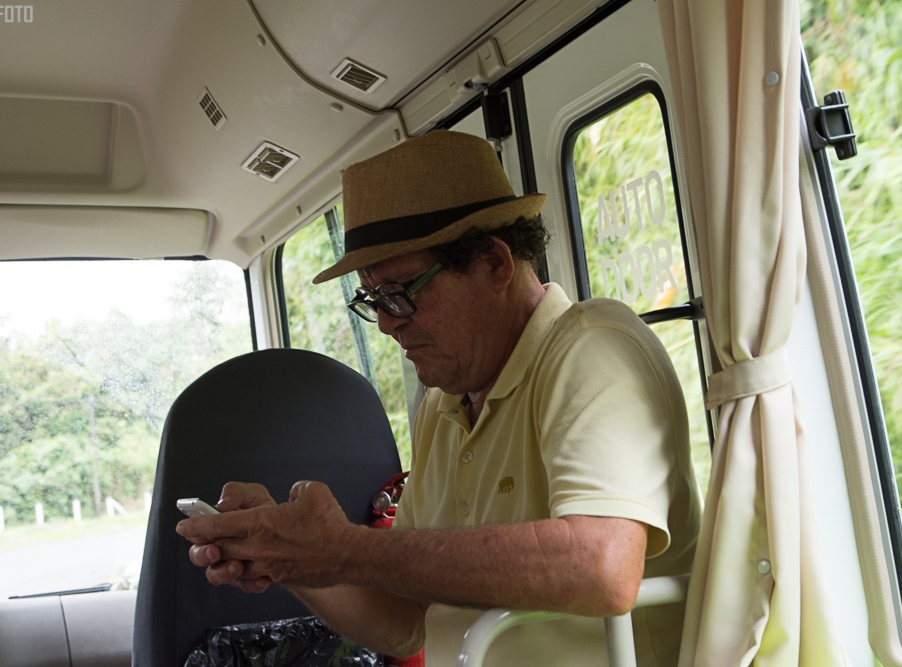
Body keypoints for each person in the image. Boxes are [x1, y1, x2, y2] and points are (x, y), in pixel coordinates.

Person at [176, 130, 701, 666]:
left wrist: (342, 549)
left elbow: (603, 567)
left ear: (494, 264)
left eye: (398, 292)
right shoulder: (442, 405)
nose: (386, 323)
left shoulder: (592, 346)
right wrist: (294, 558)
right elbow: (405, 624)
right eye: (373, 299)